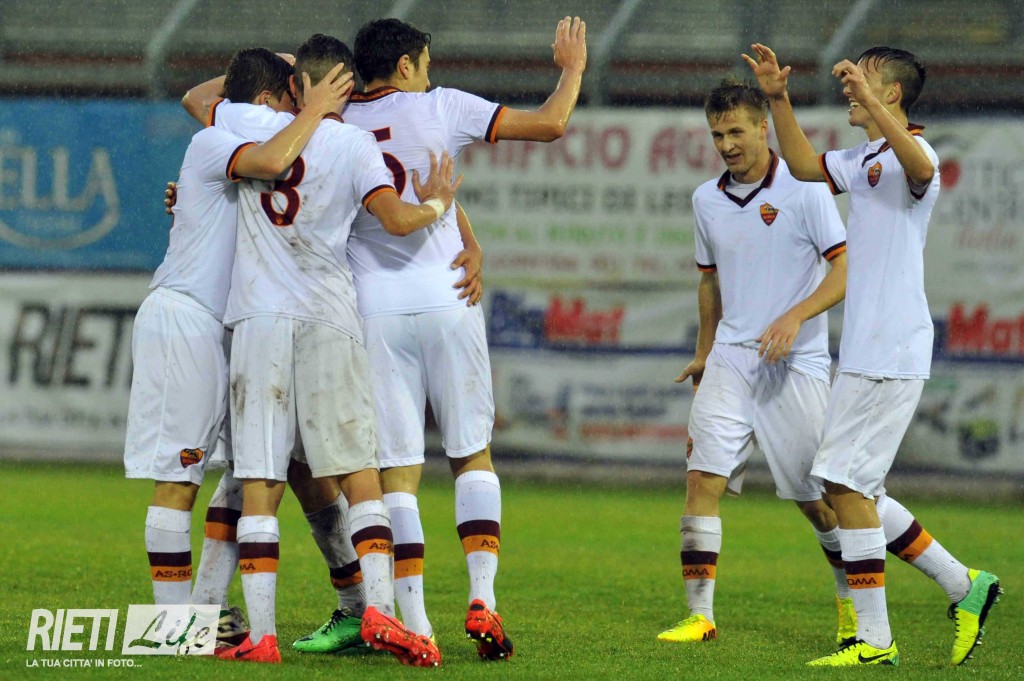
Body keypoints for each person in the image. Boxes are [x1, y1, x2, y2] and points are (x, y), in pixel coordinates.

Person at [290, 16, 588, 661]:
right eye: (424, 64)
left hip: (375, 308)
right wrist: (572, 70)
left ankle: (418, 625)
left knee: (397, 470)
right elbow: (550, 123)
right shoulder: (442, 106)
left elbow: (391, 188)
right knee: (471, 454)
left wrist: (467, 233)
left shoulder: (334, 123)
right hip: (449, 296)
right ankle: (483, 598)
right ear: (405, 66)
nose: (429, 75)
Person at [745, 43, 1002, 667]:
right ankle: (965, 585)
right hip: (866, 347)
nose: (850, 85)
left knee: (845, 484)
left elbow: (918, 164)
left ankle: (876, 640)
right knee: (852, 486)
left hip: (892, 346)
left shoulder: (918, 155)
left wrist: (873, 106)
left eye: (865, 78)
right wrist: (778, 99)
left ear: (892, 94)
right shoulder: (864, 159)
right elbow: (802, 165)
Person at [210, 34, 458, 666]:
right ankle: (378, 611)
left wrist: (295, 81)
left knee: (261, 481)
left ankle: (263, 638)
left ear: (294, 85)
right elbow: (397, 220)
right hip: (329, 316)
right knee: (358, 473)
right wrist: (438, 203)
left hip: (260, 319)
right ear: (346, 87)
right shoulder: (353, 145)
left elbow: (198, 99)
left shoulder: (252, 129)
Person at [123, 46, 350, 619]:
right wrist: (309, 99)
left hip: (227, 325)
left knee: (241, 473)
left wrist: (278, 71)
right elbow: (264, 153)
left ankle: (205, 610)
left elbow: (198, 98)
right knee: (180, 476)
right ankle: (173, 624)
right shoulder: (228, 136)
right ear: (271, 98)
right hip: (187, 316)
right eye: (286, 96)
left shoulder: (231, 124)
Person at [656, 78, 852, 646]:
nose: (726, 145)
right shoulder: (706, 199)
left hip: (797, 363)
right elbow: (709, 282)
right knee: (701, 480)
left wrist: (795, 316)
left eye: (736, 132)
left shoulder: (805, 189)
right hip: (731, 360)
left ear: (763, 127)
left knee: (818, 503)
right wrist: (704, 352)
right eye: (717, 135)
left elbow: (844, 270)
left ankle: (850, 605)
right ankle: (700, 616)